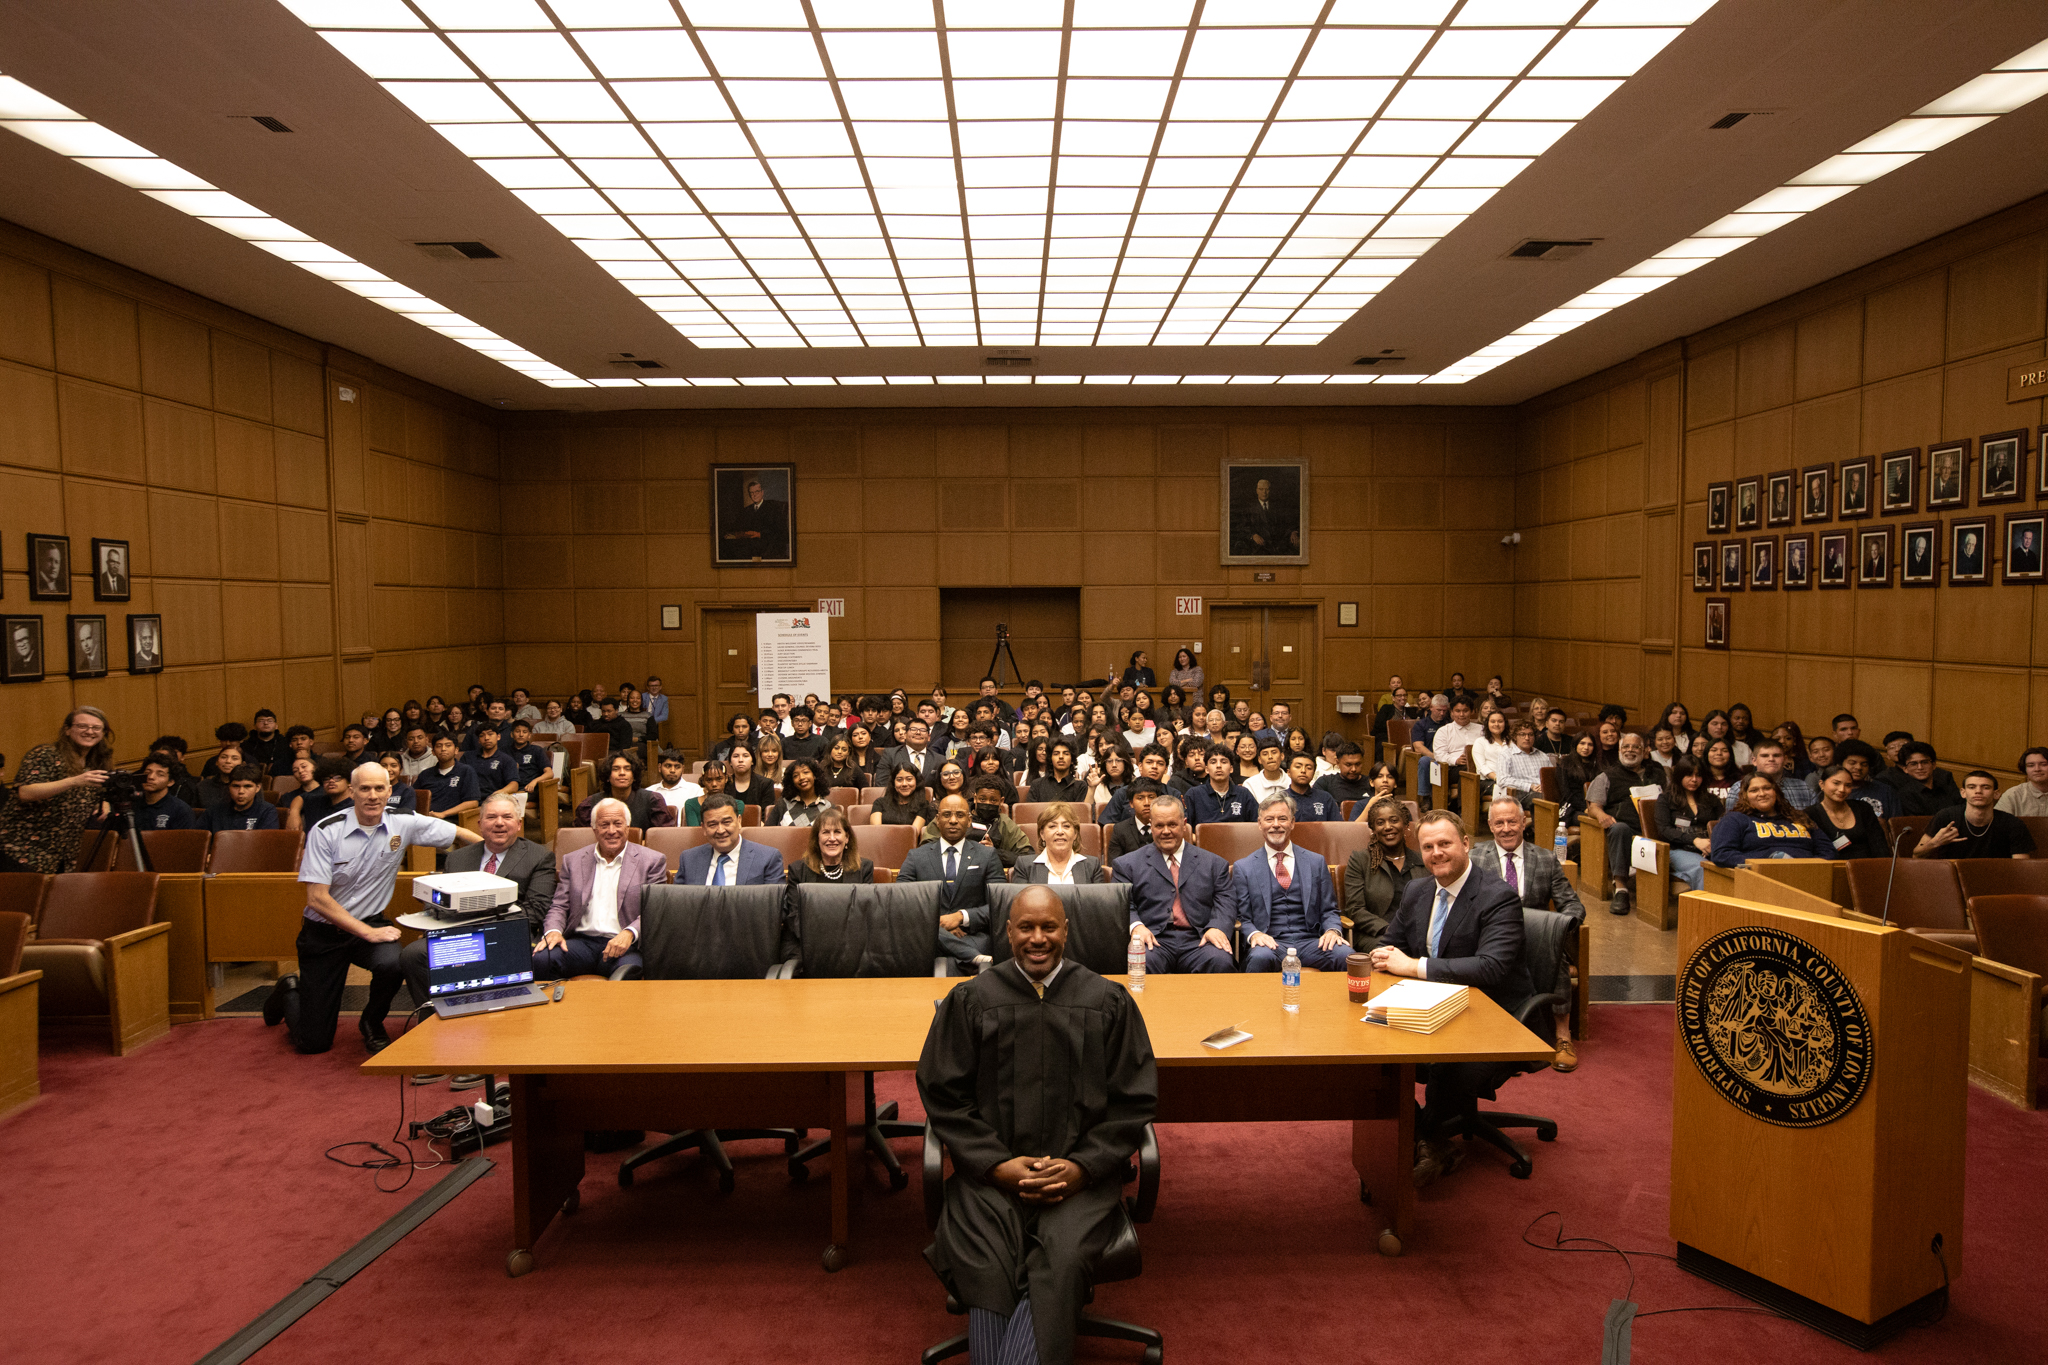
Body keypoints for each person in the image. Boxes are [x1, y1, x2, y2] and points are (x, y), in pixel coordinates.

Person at [918, 884, 1157, 1365]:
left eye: (1049, 926)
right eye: (1025, 927)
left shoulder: (1106, 1001)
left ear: (1066, 931)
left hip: (1080, 1180)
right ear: (1007, 932)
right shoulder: (972, 1001)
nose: (1037, 938)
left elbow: (1132, 1101)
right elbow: (945, 1097)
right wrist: (996, 1165)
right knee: (986, 1261)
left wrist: (1083, 1168)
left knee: (1061, 1262)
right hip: (992, 1176)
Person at [263, 762, 479, 1054]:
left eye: (380, 788)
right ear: (351, 792)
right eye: (364, 788)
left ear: (390, 791)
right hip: (324, 933)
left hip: (370, 921)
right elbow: (316, 898)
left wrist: (499, 853)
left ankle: (371, 1022)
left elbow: (459, 833)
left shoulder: (402, 821)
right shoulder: (326, 831)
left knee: (394, 962)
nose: (373, 795)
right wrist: (367, 933)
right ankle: (289, 990)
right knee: (313, 1042)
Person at [1370, 810, 1533, 1187]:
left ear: (1465, 844)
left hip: (1491, 1015)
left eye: (1444, 844)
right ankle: (1420, 1136)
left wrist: (1413, 967)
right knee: (1369, 1049)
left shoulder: (1498, 896)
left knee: (1445, 1064)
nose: (1436, 853)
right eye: (1427, 847)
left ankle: (1428, 1138)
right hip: (1429, 1004)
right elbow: (1389, 943)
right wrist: (1381, 956)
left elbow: (1491, 968)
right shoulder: (1417, 890)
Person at [398, 794, 559, 1011]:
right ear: (480, 824)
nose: (499, 823)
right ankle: (431, 1017)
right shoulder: (458, 858)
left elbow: (537, 909)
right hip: (458, 934)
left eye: (507, 817)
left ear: (519, 823)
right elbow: (439, 900)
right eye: (491, 817)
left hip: (506, 937)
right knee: (413, 954)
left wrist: (484, 927)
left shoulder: (539, 856)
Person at [1469, 795, 1584, 1071]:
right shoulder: (1474, 857)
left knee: (1557, 957)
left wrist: (1557, 929)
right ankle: (1495, 1035)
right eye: (1499, 823)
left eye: (1512, 821)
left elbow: (1571, 903)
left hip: (1535, 937)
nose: (1506, 828)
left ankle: (1562, 1036)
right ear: (1490, 825)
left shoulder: (1544, 858)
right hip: (1490, 937)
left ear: (1524, 822)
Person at [534, 798, 667, 981]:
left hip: (626, 945)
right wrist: (553, 931)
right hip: (582, 943)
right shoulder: (573, 860)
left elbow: (655, 910)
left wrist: (630, 933)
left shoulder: (652, 861)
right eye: (604, 825)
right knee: (541, 959)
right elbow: (559, 906)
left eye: (617, 824)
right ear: (595, 830)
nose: (611, 831)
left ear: (627, 827)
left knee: (628, 973)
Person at [1112, 795, 1235, 974]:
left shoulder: (1214, 863)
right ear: (1151, 826)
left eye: (1172, 824)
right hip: (1153, 938)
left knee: (1220, 960)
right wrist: (1136, 926)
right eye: (1159, 826)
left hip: (1199, 938)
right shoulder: (1127, 864)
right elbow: (1122, 905)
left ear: (1184, 824)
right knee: (1140, 961)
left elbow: (1226, 901)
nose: (1166, 831)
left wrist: (1217, 927)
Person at [1230, 795, 1348, 973]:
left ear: (1292, 822)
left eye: (1282, 819)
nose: (1276, 824)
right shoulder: (1244, 867)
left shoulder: (1316, 862)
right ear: (1260, 823)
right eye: (1269, 819)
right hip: (1270, 944)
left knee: (1345, 955)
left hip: (1312, 942)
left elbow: (1329, 909)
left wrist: (1332, 931)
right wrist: (1256, 934)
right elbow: (1243, 918)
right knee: (1259, 958)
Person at [899, 792, 1006, 971]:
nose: (953, 820)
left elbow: (999, 905)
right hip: (927, 938)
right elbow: (901, 902)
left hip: (972, 935)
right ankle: (971, 956)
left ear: (969, 820)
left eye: (960, 815)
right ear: (937, 819)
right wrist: (939, 924)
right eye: (947, 815)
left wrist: (961, 917)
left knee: (949, 965)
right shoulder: (916, 856)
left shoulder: (987, 856)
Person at [1, 708, 114, 871]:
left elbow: (90, 796)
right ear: (67, 730)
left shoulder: (96, 762)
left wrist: (103, 804)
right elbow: (25, 792)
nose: (89, 732)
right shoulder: (45, 754)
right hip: (22, 853)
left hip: (62, 856)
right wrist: (74, 781)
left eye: (96, 728)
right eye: (82, 726)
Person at [1344, 795, 1425, 951]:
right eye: (1380, 823)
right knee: (1393, 951)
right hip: (1376, 935)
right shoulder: (1360, 860)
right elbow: (1355, 910)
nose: (1388, 827)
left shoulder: (1421, 860)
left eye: (1394, 820)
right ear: (1373, 829)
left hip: (1417, 934)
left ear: (1406, 824)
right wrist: (1391, 930)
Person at [1709, 774, 1830, 866]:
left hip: (1810, 874)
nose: (1761, 794)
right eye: (1754, 790)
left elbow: (1827, 850)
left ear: (1776, 792)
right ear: (1745, 796)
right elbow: (1722, 854)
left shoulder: (1798, 816)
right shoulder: (1735, 819)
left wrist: (1814, 866)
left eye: (1767, 788)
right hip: (1761, 878)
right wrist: (1765, 864)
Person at [1914, 773, 2036, 860]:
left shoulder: (2013, 823)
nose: (1978, 791)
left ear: (1996, 794)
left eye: (1986, 787)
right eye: (1972, 787)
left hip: (1997, 881)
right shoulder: (1946, 816)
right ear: (1963, 793)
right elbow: (1916, 855)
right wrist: (1935, 843)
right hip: (1950, 880)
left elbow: (2021, 867)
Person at [677, 793, 787, 886]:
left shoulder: (768, 858)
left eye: (726, 822)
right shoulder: (688, 860)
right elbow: (678, 904)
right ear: (704, 828)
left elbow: (774, 905)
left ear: (739, 821)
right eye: (712, 824)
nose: (720, 830)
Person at [1649, 758, 1723, 891]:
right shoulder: (1665, 799)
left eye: (1698, 775)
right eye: (1689, 775)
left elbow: (1723, 825)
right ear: (1679, 776)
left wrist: (1711, 844)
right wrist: (1695, 841)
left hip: (1709, 848)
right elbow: (1665, 830)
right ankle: (1704, 910)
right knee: (1703, 869)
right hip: (1677, 849)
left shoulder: (1712, 800)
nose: (1694, 779)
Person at [933, 774, 1033, 872]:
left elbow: (1028, 857)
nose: (987, 803)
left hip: (988, 871)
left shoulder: (1004, 823)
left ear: (1001, 801)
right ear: (975, 798)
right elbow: (928, 847)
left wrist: (994, 852)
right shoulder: (955, 814)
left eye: (993, 800)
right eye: (982, 799)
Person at [1807, 764, 1892, 860]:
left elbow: (1879, 847)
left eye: (1848, 785)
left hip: (1869, 867)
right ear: (1822, 784)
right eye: (1836, 783)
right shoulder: (1811, 814)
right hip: (1832, 869)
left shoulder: (1863, 808)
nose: (1842, 789)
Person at [1013, 802, 1104, 885]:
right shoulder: (1024, 866)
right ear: (1042, 834)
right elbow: (1021, 901)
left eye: (1066, 826)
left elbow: (1098, 903)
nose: (1060, 832)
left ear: (1075, 834)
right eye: (1052, 826)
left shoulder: (1092, 866)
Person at [1881, 741, 1962, 817]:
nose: (1920, 767)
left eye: (1925, 762)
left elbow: (1961, 809)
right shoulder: (1905, 795)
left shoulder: (1945, 785)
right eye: (1913, 764)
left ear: (1933, 765)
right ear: (1905, 769)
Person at [1184, 742, 1255, 825]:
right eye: (1213, 762)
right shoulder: (1193, 794)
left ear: (1231, 768)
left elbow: (1257, 825)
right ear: (1207, 769)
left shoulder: (1243, 794)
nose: (1218, 766)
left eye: (1224, 762)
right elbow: (1185, 828)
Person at [413, 734, 480, 821]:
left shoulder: (466, 771)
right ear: (433, 751)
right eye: (439, 746)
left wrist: (443, 814)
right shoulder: (425, 774)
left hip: (454, 822)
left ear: (456, 750)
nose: (443, 749)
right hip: (427, 821)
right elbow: (412, 796)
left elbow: (473, 802)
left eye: (448, 745)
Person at [721, 473, 789, 559]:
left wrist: (759, 534)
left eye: (757, 491)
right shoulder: (747, 510)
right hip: (749, 547)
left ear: (762, 492)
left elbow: (782, 534)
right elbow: (737, 527)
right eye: (751, 493)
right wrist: (735, 534)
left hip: (768, 547)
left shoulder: (773, 507)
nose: (754, 495)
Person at [1493, 721, 1554, 810]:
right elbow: (1502, 780)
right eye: (1522, 734)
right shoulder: (1506, 755)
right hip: (1520, 793)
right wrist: (1530, 786)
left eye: (1530, 734)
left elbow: (1551, 776)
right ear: (1515, 737)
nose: (1527, 738)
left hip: (1542, 791)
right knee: (1542, 799)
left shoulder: (1542, 756)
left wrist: (1544, 785)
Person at [1104, 778, 1165, 863]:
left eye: (1151, 797)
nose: (1146, 803)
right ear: (1131, 803)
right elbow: (1115, 864)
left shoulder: (1166, 828)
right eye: (1140, 798)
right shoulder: (1120, 829)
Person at [204, 764, 281, 832]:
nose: (241, 791)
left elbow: (267, 843)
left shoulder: (267, 811)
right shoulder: (214, 811)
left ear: (257, 788)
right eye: (236, 786)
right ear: (229, 787)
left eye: (247, 786)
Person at [1236, 476, 1296, 555]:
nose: (1264, 492)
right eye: (1261, 489)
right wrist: (1253, 535)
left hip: (1277, 546)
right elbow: (1241, 527)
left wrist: (1293, 532)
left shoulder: (1278, 506)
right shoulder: (1249, 508)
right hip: (1258, 547)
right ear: (1257, 491)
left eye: (1267, 489)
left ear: (1270, 490)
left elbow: (1287, 524)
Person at [769, 757, 834, 827]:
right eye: (796, 776)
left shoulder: (828, 807)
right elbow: (767, 832)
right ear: (792, 781)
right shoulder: (783, 803)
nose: (801, 777)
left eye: (806, 772)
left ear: (815, 776)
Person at [1282, 750, 1341, 820]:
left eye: (1309, 768)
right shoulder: (1279, 799)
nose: (1303, 770)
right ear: (1288, 772)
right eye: (1298, 767)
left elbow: (1337, 827)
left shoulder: (1325, 798)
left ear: (1313, 773)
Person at [645, 748, 701, 821]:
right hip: (657, 832)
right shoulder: (649, 792)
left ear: (683, 769)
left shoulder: (695, 791)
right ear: (659, 767)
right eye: (668, 766)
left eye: (677, 767)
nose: (672, 771)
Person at [1995, 747, 2048, 818]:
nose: (2037, 769)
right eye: (2031, 765)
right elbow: (1998, 825)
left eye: (2043, 764)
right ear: (2025, 769)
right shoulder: (2013, 795)